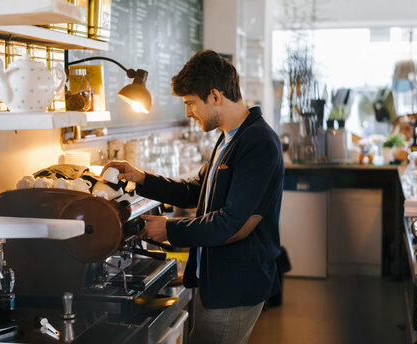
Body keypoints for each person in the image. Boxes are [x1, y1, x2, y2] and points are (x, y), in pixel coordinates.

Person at [103, 50, 284, 344]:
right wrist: (143, 179)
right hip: (216, 281)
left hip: (235, 286)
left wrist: (170, 229)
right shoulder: (230, 138)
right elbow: (196, 190)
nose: (188, 112)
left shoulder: (258, 142)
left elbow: (234, 223)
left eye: (190, 103)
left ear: (215, 96)